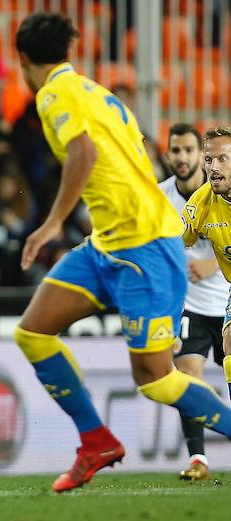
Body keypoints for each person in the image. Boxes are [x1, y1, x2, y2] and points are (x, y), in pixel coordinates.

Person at [12, 13, 231, 493]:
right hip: (107, 245)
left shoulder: (52, 95)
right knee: (32, 332)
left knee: (156, 381)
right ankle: (96, 441)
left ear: (22, 59)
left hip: (146, 247)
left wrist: (50, 223)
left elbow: (83, 153)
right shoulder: (95, 92)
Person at [157, 123, 227, 481]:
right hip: (190, 305)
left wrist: (213, 261)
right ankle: (198, 458)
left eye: (188, 150)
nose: (182, 158)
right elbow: (159, 248)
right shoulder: (160, 198)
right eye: (175, 151)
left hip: (225, 295)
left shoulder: (218, 192)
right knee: (187, 375)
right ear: (167, 154)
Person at [182, 127, 231, 432]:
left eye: (222, 159)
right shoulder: (201, 202)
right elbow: (173, 245)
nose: (213, 168)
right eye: (209, 160)